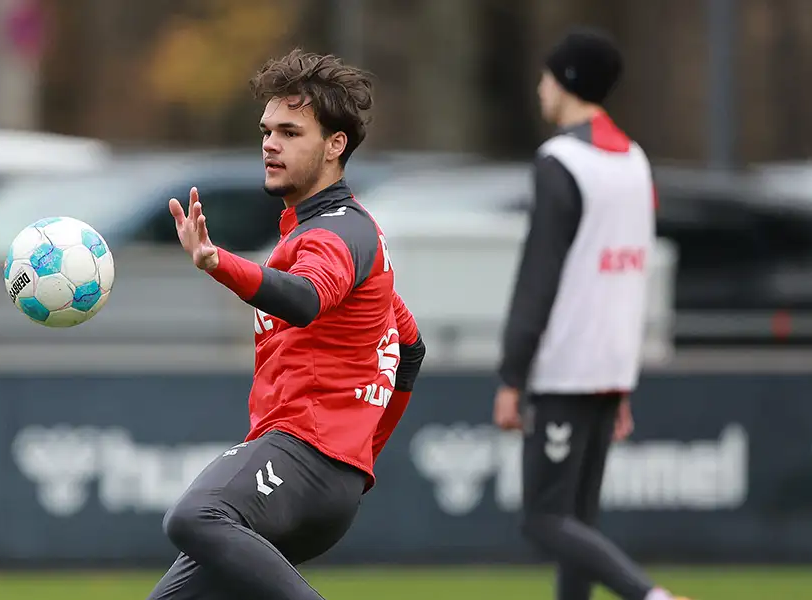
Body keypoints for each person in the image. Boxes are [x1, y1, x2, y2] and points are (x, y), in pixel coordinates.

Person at [149, 48, 426, 600]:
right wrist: (362, 452)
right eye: (266, 130)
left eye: (290, 132)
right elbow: (411, 349)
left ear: (335, 144)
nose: (270, 144)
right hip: (323, 475)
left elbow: (303, 299)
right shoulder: (342, 232)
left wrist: (216, 261)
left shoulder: (334, 235)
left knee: (195, 516)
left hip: (305, 457)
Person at [494, 28, 688, 600]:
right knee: (578, 521)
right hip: (611, 366)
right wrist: (622, 380)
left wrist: (512, 375)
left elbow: (539, 277)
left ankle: (649, 596)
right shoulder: (635, 160)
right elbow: (629, 274)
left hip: (566, 367)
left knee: (543, 519)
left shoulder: (561, 160)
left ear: (566, 81)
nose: (539, 86)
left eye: (547, 74)